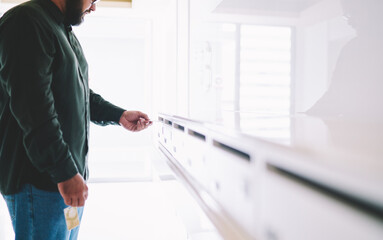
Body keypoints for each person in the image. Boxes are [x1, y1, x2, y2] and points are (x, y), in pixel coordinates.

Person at [0, 0, 152, 239]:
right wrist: (64, 172)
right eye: (92, 0)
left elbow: (79, 94)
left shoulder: (61, 31)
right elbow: (33, 106)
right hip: (40, 181)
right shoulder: (27, 21)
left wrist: (119, 115)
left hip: (64, 181)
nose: (93, 8)